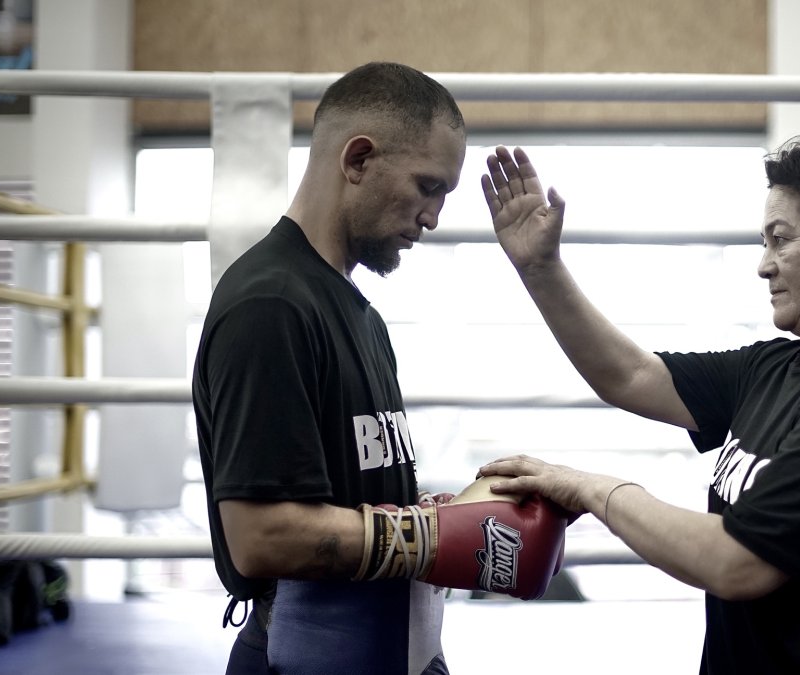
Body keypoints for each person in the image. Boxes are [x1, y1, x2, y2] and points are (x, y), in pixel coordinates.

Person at [477, 133, 800, 674]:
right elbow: (631, 375)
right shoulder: (773, 368)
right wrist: (540, 269)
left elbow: (739, 562)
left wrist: (594, 488)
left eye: (781, 240)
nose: (764, 264)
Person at [192, 62, 566, 675]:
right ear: (358, 159)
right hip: (304, 652)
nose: (434, 217)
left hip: (389, 645)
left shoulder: (356, 311)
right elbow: (262, 537)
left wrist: (454, 513)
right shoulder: (272, 304)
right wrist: (433, 537)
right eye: (427, 186)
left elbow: (349, 489)